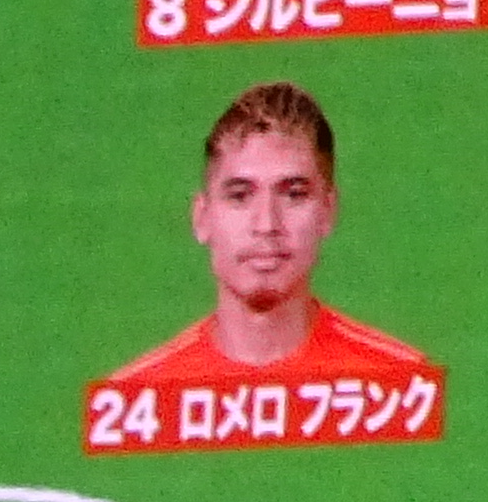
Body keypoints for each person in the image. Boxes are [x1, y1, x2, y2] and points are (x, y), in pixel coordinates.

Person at [92, 82, 433, 393]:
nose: (267, 224)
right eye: (240, 196)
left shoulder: (399, 385)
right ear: (202, 218)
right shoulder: (137, 400)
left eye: (294, 194)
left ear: (328, 211)